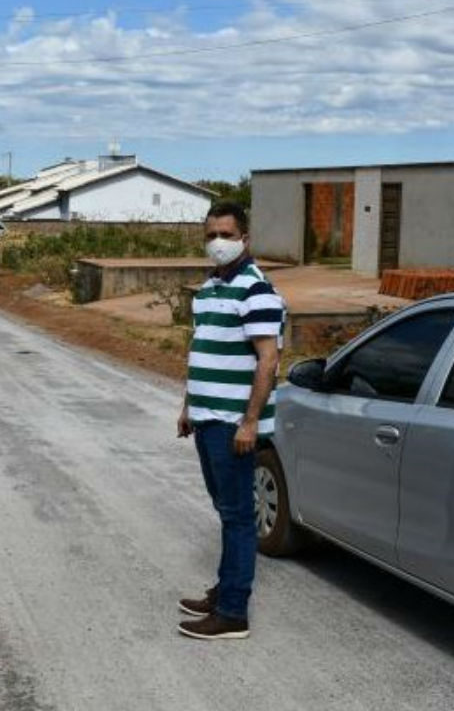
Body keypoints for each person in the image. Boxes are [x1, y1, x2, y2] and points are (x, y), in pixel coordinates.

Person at [175, 201, 285, 640]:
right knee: (227, 511)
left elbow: (268, 360)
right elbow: (200, 351)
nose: (217, 242)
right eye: (210, 235)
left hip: (233, 425)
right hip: (207, 419)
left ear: (245, 238)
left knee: (239, 516)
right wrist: (189, 407)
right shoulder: (210, 288)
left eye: (225, 234)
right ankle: (225, 591)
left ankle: (233, 612)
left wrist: (250, 422)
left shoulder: (257, 290)